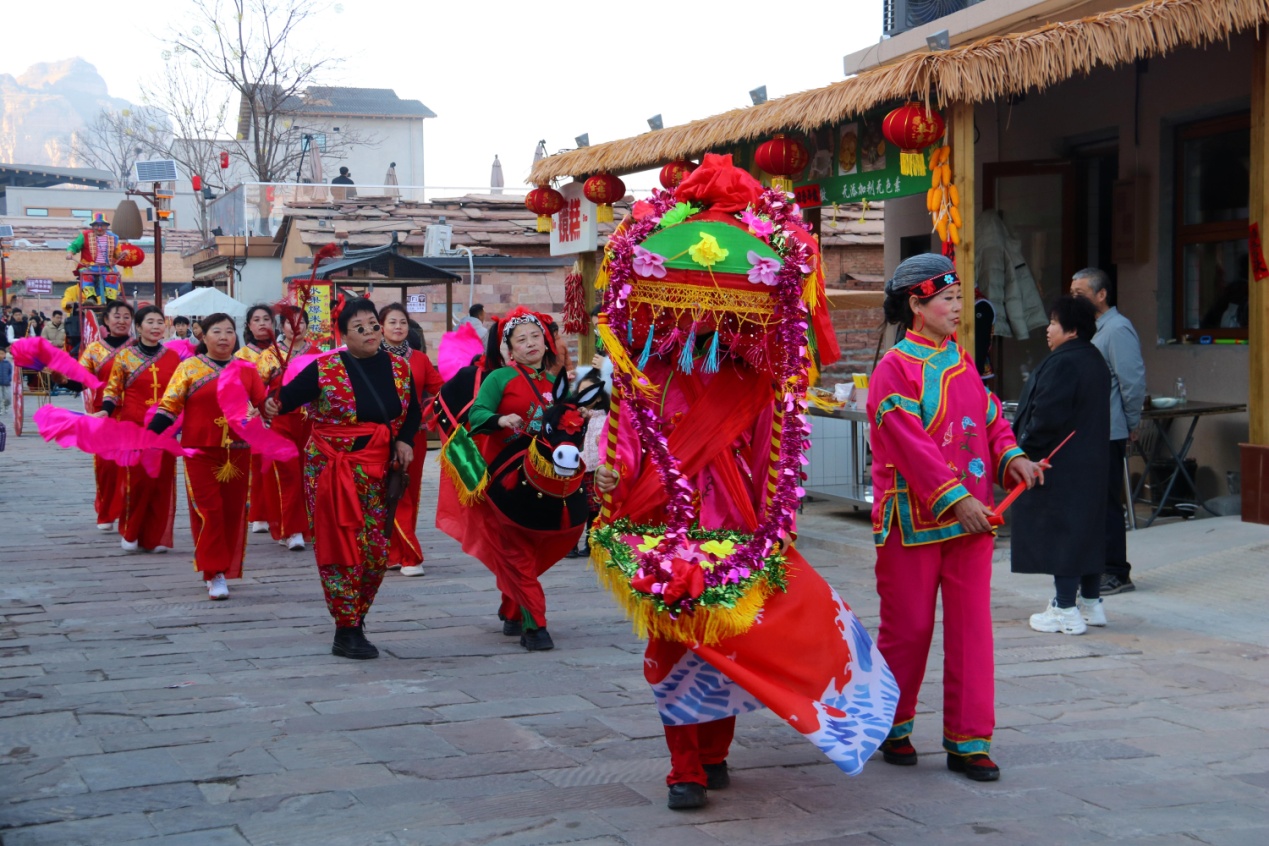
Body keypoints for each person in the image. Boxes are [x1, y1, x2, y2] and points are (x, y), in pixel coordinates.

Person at [593, 153, 895, 811]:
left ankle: (715, 751)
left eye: (718, 302)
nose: (701, 310)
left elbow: (775, 455)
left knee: (730, 637)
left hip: (735, 524)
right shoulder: (652, 376)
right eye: (688, 299)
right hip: (662, 524)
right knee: (672, 639)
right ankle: (684, 767)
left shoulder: (755, 380)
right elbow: (627, 444)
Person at [869, 253, 1044, 783]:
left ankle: (970, 741)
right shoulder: (893, 368)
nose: (956, 309)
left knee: (972, 629)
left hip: (975, 519)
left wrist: (1014, 459)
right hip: (915, 519)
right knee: (910, 628)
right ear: (917, 306)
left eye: (958, 299)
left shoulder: (961, 360)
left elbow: (989, 418)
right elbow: (909, 443)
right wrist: (956, 499)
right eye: (947, 300)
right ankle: (891, 725)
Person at [266, 298, 421, 659]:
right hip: (332, 471)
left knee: (376, 551)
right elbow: (284, 400)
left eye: (373, 325)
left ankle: (356, 616)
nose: (369, 332)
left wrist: (404, 440)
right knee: (343, 549)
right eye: (359, 327)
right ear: (343, 335)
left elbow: (411, 411)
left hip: (378, 469)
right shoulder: (324, 369)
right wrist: (271, 400)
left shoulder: (399, 367)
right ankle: (346, 629)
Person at [435, 307, 577, 651]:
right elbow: (478, 414)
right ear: (508, 349)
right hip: (508, 479)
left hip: (550, 477)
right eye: (521, 339)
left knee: (539, 544)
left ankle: (513, 607)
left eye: (535, 337)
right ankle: (536, 625)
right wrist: (499, 420)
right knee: (517, 550)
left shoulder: (556, 383)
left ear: (546, 343)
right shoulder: (499, 379)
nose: (530, 343)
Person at [1011, 296, 1112, 635]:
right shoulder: (1093, 358)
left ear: (1070, 329)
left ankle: (1066, 608)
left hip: (1060, 462)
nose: (1048, 330)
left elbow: (1046, 417)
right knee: (1087, 529)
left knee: (1065, 532)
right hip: (1091, 461)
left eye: (1053, 323)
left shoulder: (1064, 362)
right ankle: (1091, 603)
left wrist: (1022, 453)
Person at [149, 313, 266, 601]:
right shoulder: (189, 368)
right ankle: (213, 573)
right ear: (203, 336)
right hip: (200, 451)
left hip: (238, 451)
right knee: (209, 511)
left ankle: (221, 568)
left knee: (231, 512)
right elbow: (168, 407)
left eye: (230, 331)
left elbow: (263, 405)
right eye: (217, 331)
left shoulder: (248, 369)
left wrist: (267, 408)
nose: (224, 337)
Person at [1070, 267, 1146, 595]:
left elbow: (1132, 381)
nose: (1074, 300)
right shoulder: (1091, 330)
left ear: (1102, 295)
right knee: (1093, 504)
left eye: (1080, 294)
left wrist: (1132, 422)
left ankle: (1117, 572)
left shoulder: (1117, 329)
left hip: (1111, 430)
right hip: (1092, 430)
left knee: (1108, 505)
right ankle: (1099, 569)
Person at [99, 305, 183, 554]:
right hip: (134, 426)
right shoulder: (125, 357)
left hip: (166, 427)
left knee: (161, 480)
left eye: (160, 322)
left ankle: (155, 536)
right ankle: (132, 530)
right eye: (150, 322)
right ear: (138, 327)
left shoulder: (174, 358)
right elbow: (113, 389)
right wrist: (105, 408)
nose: (156, 327)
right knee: (137, 481)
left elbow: (181, 393)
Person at [380, 303, 444, 577]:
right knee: (383, 494)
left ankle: (405, 553)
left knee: (407, 491)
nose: (398, 327)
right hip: (378, 437)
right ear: (380, 327)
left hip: (413, 436)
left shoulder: (419, 359)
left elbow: (439, 388)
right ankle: (397, 554)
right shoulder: (370, 356)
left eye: (402, 322)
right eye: (392, 322)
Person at [256, 307, 314, 552]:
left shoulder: (319, 354)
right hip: (280, 424)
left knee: (308, 476)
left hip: (311, 425)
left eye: (302, 322)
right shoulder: (270, 356)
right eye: (290, 323)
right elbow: (256, 389)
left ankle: (309, 526)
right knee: (288, 476)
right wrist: (263, 409)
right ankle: (291, 530)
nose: (296, 327)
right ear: (281, 327)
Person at [79, 299, 136, 530]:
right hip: (103, 415)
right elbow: (80, 380)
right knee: (106, 467)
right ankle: (106, 512)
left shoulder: (140, 347)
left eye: (126, 317)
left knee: (134, 466)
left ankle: (130, 512)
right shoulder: (94, 350)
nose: (122, 321)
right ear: (106, 321)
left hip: (135, 413)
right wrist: (62, 378)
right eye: (117, 316)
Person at [237, 304, 277, 535]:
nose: (262, 323)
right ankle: (259, 513)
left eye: (266, 319)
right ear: (249, 326)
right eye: (257, 320)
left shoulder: (282, 350)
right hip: (252, 414)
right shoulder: (242, 355)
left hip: (281, 413)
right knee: (258, 465)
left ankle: (275, 512)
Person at [564, 365, 608, 560]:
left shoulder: (606, 419)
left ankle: (590, 544)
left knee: (593, 510)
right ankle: (570, 544)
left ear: (599, 397)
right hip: (576, 471)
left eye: (589, 392)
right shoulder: (574, 418)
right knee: (574, 508)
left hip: (594, 470)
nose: (583, 396)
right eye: (580, 391)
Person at [65, 213, 123, 303]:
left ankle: (110, 299)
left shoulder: (113, 237)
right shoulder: (84, 235)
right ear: (92, 226)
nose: (99, 228)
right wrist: (70, 253)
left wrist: (121, 255)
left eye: (102, 225)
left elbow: (116, 253)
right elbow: (74, 246)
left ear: (106, 226)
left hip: (107, 266)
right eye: (96, 225)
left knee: (112, 276)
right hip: (89, 266)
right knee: (87, 275)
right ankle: (91, 298)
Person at [0, 347, 11, 414]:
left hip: (6, 383)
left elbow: (10, 372)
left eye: (2, 353)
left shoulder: (7, 363)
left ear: (5, 354)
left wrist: (9, 379)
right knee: (0, 397)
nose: (0, 355)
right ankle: (1, 409)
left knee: (8, 398)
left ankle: (6, 406)